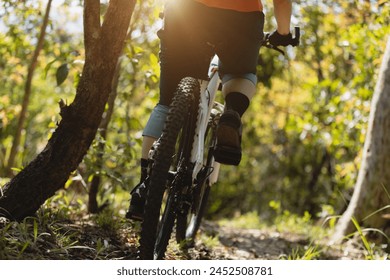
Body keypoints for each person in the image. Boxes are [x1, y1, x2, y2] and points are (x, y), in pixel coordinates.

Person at [126, 0, 293, 221]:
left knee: (166, 103)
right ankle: (231, 114)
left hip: (186, 11)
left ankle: (144, 189)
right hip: (242, 16)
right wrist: (283, 33)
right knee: (241, 75)